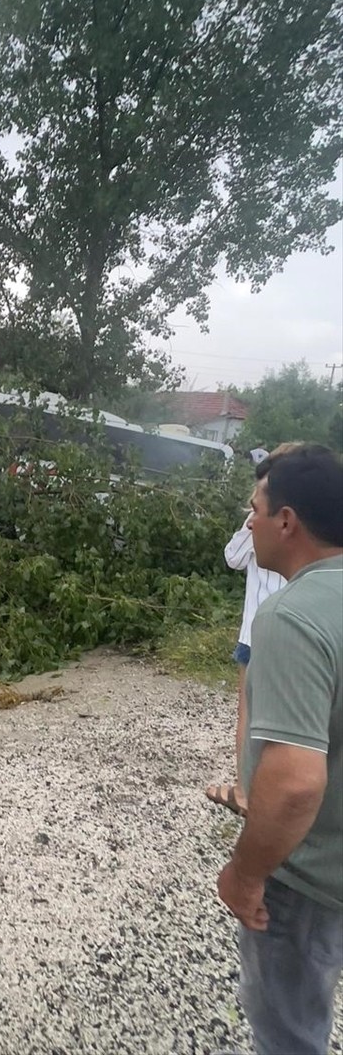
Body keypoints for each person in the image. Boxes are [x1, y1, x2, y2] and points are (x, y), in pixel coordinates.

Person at [216, 444, 343, 1055]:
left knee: (290, 1035)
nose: (249, 521)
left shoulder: (293, 617)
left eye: (254, 509)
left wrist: (245, 874)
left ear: (286, 520)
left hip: (310, 878)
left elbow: (294, 784)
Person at [206, 444, 301, 817]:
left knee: (271, 716)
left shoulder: (295, 530)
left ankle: (262, 792)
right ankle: (248, 789)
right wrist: (251, 521)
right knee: (249, 712)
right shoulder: (260, 523)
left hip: (277, 633)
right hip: (253, 635)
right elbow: (233, 558)